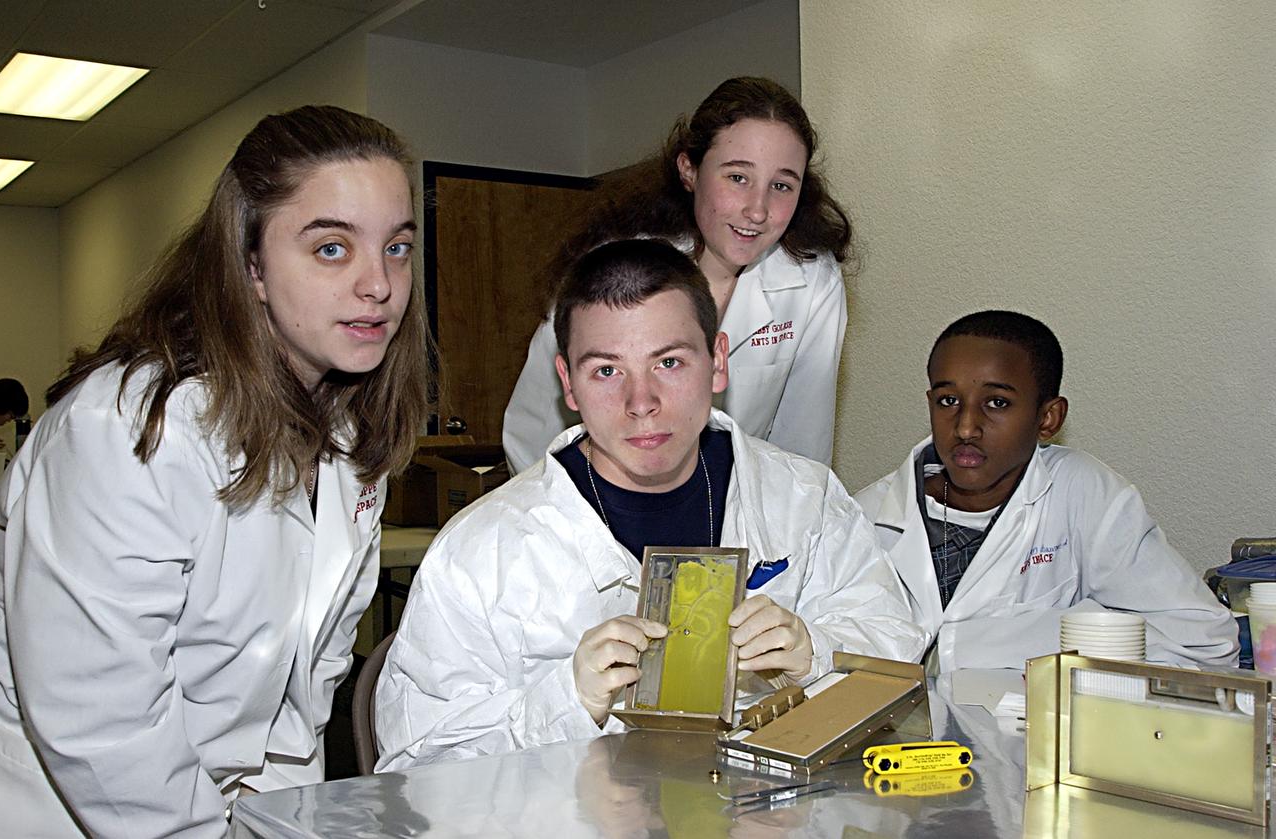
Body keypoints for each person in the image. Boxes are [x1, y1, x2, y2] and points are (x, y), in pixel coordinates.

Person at [0, 105, 430, 838]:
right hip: (72, 809)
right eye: (331, 248)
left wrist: (280, 819)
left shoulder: (351, 432)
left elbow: (306, 687)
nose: (378, 284)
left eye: (397, 247)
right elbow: (103, 721)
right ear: (251, 264)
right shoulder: (129, 430)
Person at [375, 239, 923, 770]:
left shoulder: (806, 503)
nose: (642, 403)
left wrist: (815, 654)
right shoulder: (482, 552)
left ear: (718, 361)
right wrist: (565, 703)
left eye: (669, 363)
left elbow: (898, 667)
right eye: (607, 370)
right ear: (568, 383)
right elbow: (418, 768)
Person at [854, 310, 1238, 673]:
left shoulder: (1083, 493)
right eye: (948, 401)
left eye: (997, 403)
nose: (966, 427)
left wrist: (978, 645)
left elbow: (1206, 641)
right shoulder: (863, 516)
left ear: (1048, 417)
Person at [502, 77, 853, 473]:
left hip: (735, 512)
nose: (758, 210)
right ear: (689, 170)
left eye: (781, 185)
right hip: (600, 505)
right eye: (737, 177)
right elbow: (533, 433)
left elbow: (802, 451)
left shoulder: (812, 282)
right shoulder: (612, 268)